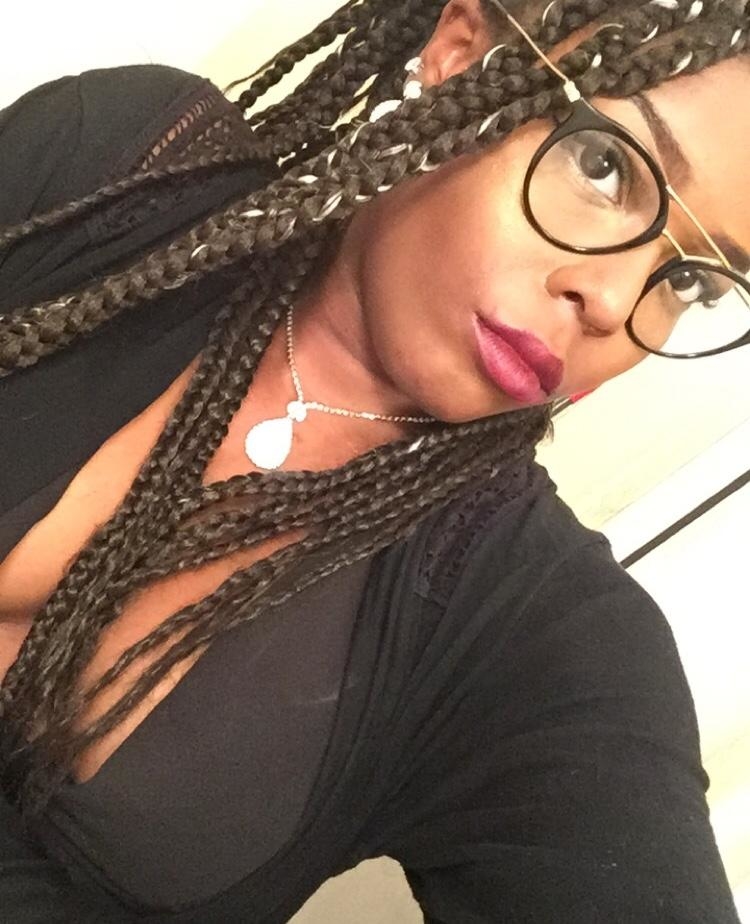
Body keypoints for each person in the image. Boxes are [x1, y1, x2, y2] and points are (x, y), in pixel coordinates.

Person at [0, 0, 746, 920]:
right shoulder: (127, 166)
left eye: (689, 280)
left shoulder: (532, 635)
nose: (614, 300)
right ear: (459, 54)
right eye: (606, 167)